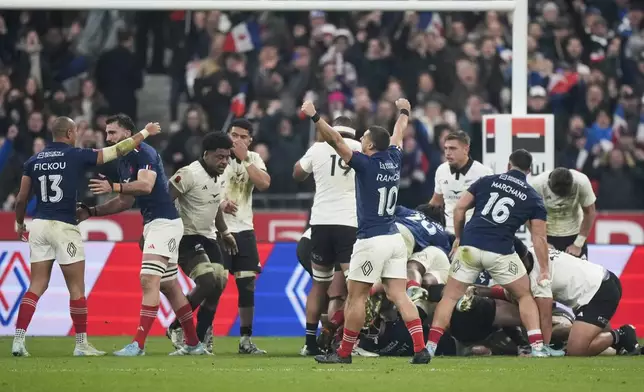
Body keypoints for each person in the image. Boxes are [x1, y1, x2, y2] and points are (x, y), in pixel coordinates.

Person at [12, 116, 158, 357]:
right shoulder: (76, 154)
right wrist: (145, 132)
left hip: (38, 225)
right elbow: (116, 150)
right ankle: (81, 345)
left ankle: (18, 341)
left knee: (36, 285)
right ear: (70, 133)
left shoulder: (34, 160)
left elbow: (21, 198)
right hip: (64, 226)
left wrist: (19, 224)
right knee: (76, 288)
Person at [301, 98, 432, 365]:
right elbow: (399, 130)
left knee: (357, 297)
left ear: (370, 145)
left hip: (371, 239)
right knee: (399, 294)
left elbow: (336, 141)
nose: (360, 139)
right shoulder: (395, 157)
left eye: (364, 137)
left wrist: (314, 116)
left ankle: (344, 353)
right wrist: (404, 110)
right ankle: (420, 349)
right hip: (394, 238)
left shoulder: (365, 164)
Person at [79, 113, 205, 356]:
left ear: (127, 133)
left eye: (113, 133)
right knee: (170, 286)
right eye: (107, 133)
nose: (108, 138)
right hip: (154, 223)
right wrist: (92, 211)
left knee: (149, 280)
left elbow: (146, 185)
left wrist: (113, 186)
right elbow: (125, 201)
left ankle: (138, 344)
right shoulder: (123, 160)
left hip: (165, 223)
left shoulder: (143, 153)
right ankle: (193, 343)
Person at [425, 149, 551, 358]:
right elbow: (539, 238)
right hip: (500, 252)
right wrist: (544, 269)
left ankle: (430, 347)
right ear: (529, 171)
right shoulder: (533, 198)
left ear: (508, 166)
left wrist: (458, 238)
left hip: (470, 247)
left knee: (449, 297)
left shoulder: (486, 181)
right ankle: (537, 347)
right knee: (524, 295)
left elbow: (459, 208)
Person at [292, 116, 361, 356]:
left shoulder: (318, 148)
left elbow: (297, 173)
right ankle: (346, 343)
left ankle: (309, 343)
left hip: (319, 224)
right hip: (349, 224)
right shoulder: (361, 149)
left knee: (319, 286)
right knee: (354, 289)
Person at [165, 132, 238, 353]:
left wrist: (225, 232)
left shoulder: (221, 175)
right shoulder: (188, 174)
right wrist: (151, 229)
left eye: (227, 157)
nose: (224, 162)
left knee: (219, 285)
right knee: (207, 282)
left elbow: (215, 206)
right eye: (219, 157)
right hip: (186, 236)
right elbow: (165, 201)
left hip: (209, 236)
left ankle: (197, 341)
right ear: (206, 154)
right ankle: (177, 326)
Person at [520, 246, 639, 356]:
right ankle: (614, 342)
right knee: (563, 334)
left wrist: (540, 349)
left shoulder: (539, 279)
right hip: (598, 281)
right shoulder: (534, 250)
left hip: (598, 291)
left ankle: (622, 334)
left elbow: (545, 318)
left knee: (576, 350)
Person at [220, 118, 271, 354]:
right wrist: (220, 203)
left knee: (247, 286)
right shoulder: (217, 157)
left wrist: (244, 158)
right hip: (218, 229)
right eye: (233, 135)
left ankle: (245, 339)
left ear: (249, 140)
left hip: (244, 230)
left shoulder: (254, 159)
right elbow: (203, 188)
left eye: (242, 136)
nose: (236, 140)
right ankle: (201, 336)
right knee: (213, 284)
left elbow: (264, 183)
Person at [429, 131, 492, 234]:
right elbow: (436, 202)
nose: (448, 153)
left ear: (466, 149)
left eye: (453, 148)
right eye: (446, 148)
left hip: (473, 233)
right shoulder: (441, 170)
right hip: (446, 232)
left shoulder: (484, 172)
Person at [528, 167, 596, 259]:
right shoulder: (537, 185)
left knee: (578, 273)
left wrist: (578, 244)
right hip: (547, 235)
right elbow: (527, 214)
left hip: (574, 235)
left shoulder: (581, 182)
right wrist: (540, 240)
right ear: (548, 183)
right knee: (546, 273)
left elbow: (590, 212)